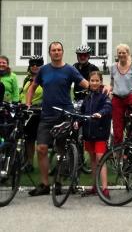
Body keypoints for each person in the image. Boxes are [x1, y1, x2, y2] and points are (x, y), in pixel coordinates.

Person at [25, 41, 91, 196]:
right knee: (41, 148)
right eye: (53, 50)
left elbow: (86, 84)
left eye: (59, 50)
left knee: (61, 151)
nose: (56, 52)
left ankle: (59, 182)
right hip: (46, 115)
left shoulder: (70, 70)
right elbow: (32, 88)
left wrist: (100, 88)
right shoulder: (44, 70)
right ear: (50, 53)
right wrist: (28, 103)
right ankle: (44, 184)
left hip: (64, 115)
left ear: (62, 52)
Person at [79, 71, 112, 197]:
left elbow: (108, 107)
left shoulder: (104, 95)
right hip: (88, 133)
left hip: (100, 132)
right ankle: (94, 186)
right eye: (92, 80)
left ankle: (104, 188)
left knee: (100, 158)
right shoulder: (87, 96)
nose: (94, 83)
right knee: (92, 159)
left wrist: (101, 113)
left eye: (97, 80)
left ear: (101, 82)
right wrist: (78, 122)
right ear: (89, 82)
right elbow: (82, 112)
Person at [107, 43, 132, 145]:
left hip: (130, 97)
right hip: (117, 99)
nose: (121, 55)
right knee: (117, 127)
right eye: (119, 53)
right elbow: (112, 84)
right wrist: (109, 93)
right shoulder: (113, 67)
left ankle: (129, 150)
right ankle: (118, 154)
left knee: (131, 125)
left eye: (124, 52)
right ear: (117, 54)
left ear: (128, 53)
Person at [21, 57, 43, 171]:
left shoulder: (44, 80)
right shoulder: (27, 79)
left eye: (38, 64)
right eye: (32, 64)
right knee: (28, 140)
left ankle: (42, 165)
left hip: (38, 113)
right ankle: (29, 163)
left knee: (39, 141)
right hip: (27, 112)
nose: (35, 66)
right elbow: (23, 94)